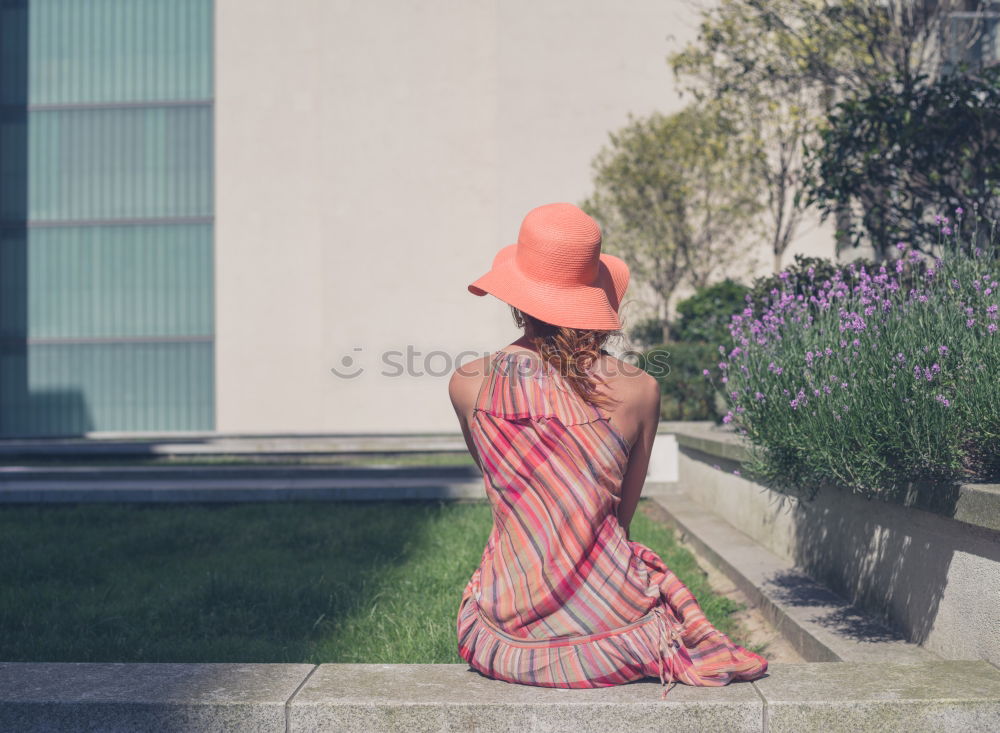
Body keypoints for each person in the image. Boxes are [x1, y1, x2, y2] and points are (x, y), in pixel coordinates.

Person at [447, 202, 768, 697]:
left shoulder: (468, 384)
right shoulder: (640, 391)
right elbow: (620, 517)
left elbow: (506, 496)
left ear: (517, 297)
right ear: (595, 296)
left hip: (504, 634)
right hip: (611, 635)